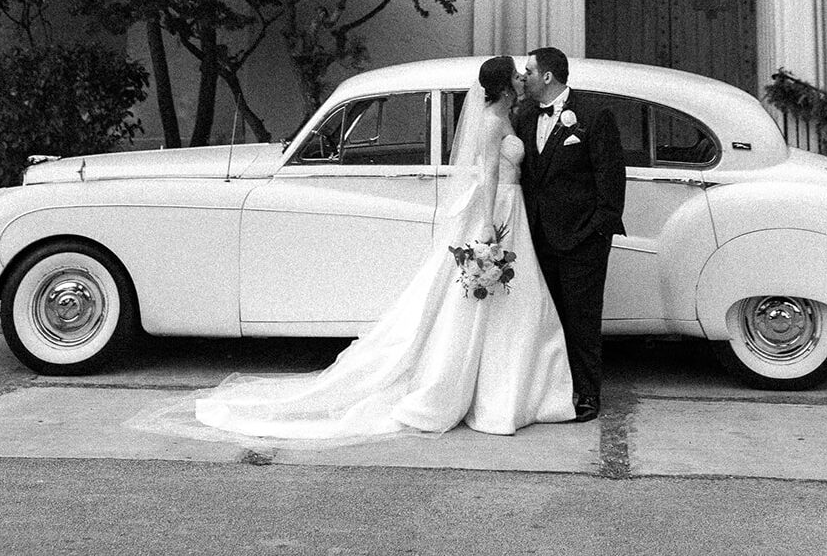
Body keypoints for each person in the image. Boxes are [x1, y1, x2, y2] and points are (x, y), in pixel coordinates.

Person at [128, 56, 575, 446]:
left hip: (506, 213)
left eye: (527, 73)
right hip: (496, 213)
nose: (523, 79)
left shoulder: (505, 117)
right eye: (517, 75)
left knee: (512, 303)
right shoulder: (497, 121)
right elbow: (488, 177)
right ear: (503, 85)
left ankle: (506, 386)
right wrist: (487, 232)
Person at [516, 47, 627, 423]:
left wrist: (597, 230)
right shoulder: (525, 115)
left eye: (528, 70)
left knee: (582, 321)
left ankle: (586, 395)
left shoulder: (594, 115)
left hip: (583, 239)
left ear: (547, 76)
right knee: (548, 319)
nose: (523, 77)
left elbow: (610, 179)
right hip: (538, 236)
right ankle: (553, 392)